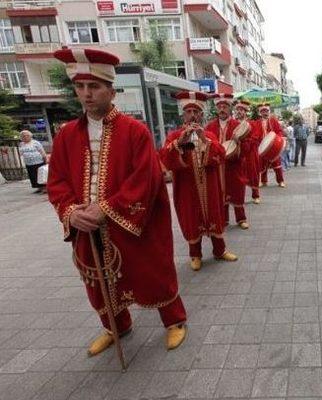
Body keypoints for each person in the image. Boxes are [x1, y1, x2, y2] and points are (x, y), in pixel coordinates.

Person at [47, 48, 187, 354]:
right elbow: (56, 181)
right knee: (98, 279)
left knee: (153, 271)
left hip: (132, 221)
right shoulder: (66, 135)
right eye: (80, 87)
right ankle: (116, 326)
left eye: (94, 87)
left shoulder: (135, 131)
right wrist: (71, 211)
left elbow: (146, 178)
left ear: (111, 91)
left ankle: (174, 321)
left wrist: (106, 208)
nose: (86, 94)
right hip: (86, 224)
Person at [159, 90, 239, 274]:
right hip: (188, 189)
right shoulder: (174, 136)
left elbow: (220, 155)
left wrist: (204, 139)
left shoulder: (209, 135)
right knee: (191, 217)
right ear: (183, 114)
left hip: (210, 187)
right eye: (189, 111)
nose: (193, 115)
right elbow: (165, 158)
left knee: (214, 215)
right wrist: (181, 141)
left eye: (196, 111)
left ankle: (220, 251)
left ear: (202, 115)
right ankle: (195, 255)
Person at [205, 94, 251, 229]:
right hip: (217, 166)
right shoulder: (209, 126)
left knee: (237, 190)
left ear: (230, 108)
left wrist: (239, 142)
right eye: (219, 107)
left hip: (233, 165)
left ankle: (241, 219)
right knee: (219, 192)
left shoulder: (238, 125)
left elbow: (247, 147)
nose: (222, 109)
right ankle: (223, 220)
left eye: (225, 106)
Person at [235, 100, 261, 204]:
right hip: (237, 153)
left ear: (245, 111)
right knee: (238, 175)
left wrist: (244, 141)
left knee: (253, 174)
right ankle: (240, 197)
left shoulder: (252, 123)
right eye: (237, 110)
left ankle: (256, 195)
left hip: (250, 153)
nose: (239, 112)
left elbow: (256, 137)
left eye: (241, 110)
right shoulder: (234, 123)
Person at [256, 103, 286, 187]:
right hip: (262, 146)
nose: (264, 113)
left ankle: (280, 181)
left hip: (273, 146)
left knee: (277, 165)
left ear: (268, 111)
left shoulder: (273, 120)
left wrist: (278, 138)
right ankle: (263, 181)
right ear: (260, 113)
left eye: (266, 111)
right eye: (262, 111)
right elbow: (255, 134)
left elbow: (279, 131)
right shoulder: (258, 122)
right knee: (262, 165)